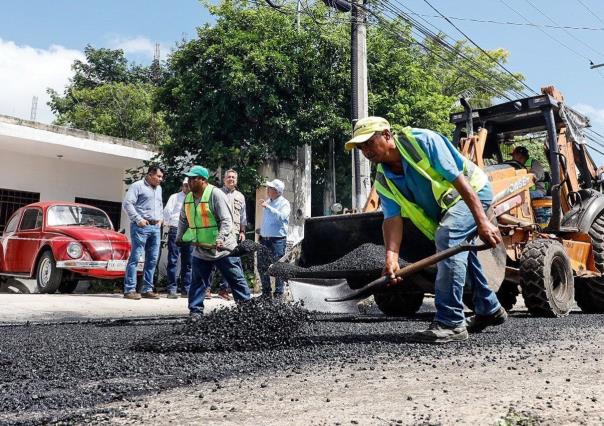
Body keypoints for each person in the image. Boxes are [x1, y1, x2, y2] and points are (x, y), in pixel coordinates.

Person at [345, 116, 506, 343]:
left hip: (473, 192)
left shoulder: (422, 141)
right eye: (361, 147)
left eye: (369, 143)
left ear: (387, 135)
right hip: (447, 209)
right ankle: (489, 308)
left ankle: (450, 322)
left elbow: (460, 180)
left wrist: (482, 221)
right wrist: (391, 258)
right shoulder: (383, 180)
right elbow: (392, 219)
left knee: (448, 237)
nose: (366, 151)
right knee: (460, 251)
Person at [176, 165, 251, 319]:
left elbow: (227, 220)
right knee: (197, 281)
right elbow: (183, 220)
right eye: (189, 178)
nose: (189, 181)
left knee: (235, 279)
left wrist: (220, 238)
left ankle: (247, 309)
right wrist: (179, 237)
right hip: (202, 248)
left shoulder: (215, 194)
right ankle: (195, 311)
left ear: (203, 180)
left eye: (193, 178)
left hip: (223, 248)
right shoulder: (188, 198)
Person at [122, 165, 164, 300]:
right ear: (150, 174)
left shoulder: (159, 189)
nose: (160, 179)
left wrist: (161, 219)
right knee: (135, 257)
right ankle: (129, 290)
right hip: (141, 227)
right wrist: (138, 219)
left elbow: (160, 205)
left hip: (155, 228)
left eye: (162, 177)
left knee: (152, 259)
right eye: (158, 176)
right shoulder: (137, 186)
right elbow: (127, 204)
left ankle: (147, 289)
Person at [216, 169, 248, 300]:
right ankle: (206, 289)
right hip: (219, 232)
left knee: (231, 261)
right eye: (228, 177)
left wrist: (242, 231)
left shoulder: (240, 196)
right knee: (213, 259)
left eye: (233, 177)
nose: (231, 179)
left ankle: (224, 289)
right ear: (224, 179)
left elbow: (243, 216)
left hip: (234, 233)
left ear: (236, 180)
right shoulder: (217, 193)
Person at [258, 178, 290, 299]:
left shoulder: (284, 203)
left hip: (277, 240)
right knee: (261, 266)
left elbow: (282, 217)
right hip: (264, 239)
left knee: (278, 267)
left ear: (277, 191)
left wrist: (268, 208)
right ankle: (266, 293)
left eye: (270, 188)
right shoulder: (268, 201)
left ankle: (279, 294)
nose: (267, 190)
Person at [163, 178, 193, 298]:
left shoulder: (195, 198)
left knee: (188, 262)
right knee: (173, 260)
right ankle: (172, 289)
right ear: (182, 186)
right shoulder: (175, 197)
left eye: (189, 185)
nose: (187, 187)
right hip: (176, 229)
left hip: (190, 231)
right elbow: (167, 211)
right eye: (185, 185)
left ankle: (186, 289)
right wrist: (167, 223)